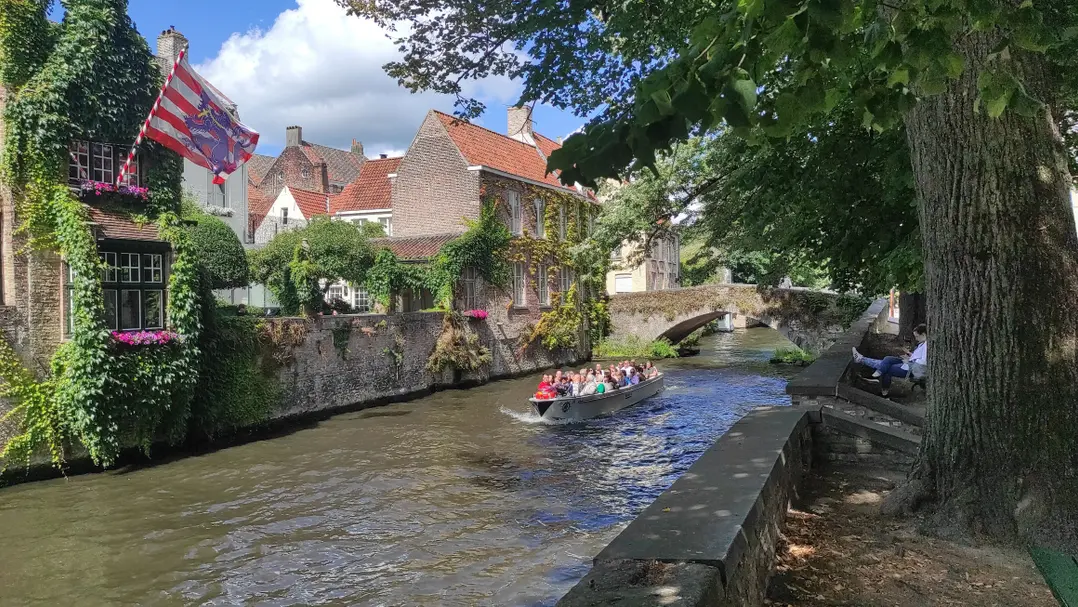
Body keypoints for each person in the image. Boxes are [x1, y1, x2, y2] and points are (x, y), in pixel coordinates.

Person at [852, 324, 928, 397]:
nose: (916, 339)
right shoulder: (923, 343)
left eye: (917, 336)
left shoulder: (926, 345)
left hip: (912, 369)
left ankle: (861, 360)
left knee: (886, 368)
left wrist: (909, 361)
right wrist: (909, 354)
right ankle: (878, 375)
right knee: (888, 359)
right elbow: (918, 356)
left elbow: (923, 362)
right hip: (909, 363)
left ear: (923, 335)